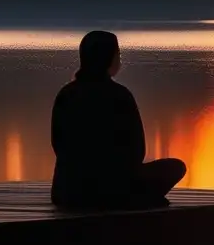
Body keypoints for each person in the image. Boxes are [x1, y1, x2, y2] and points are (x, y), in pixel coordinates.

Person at [50, 30, 187, 209]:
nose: (119, 59)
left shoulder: (66, 94)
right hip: (112, 189)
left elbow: (58, 144)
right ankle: (130, 198)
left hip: (67, 191)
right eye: (118, 54)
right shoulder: (119, 95)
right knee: (175, 167)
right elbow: (137, 150)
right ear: (109, 58)